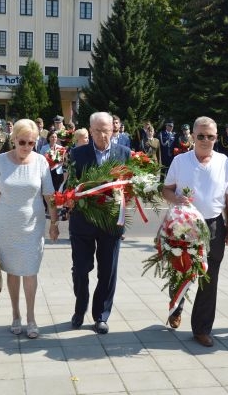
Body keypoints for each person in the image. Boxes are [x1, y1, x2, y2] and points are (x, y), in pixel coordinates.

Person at [163, 116, 228, 347]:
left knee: (210, 277)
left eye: (211, 136)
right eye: (201, 136)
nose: (206, 140)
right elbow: (166, 189)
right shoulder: (180, 161)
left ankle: (202, 328)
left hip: (214, 225)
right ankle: (177, 307)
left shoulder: (224, 161)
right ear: (192, 137)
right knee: (181, 269)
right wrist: (175, 198)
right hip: (185, 225)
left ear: (217, 138)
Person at [0, 119, 59, 338]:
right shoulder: (0, 161)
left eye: (31, 143)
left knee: (29, 271)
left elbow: (49, 195)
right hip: (7, 225)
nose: (27, 147)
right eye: (22, 142)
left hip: (33, 226)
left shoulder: (41, 162)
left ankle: (31, 317)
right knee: (12, 271)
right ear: (13, 139)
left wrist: (54, 222)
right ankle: (15, 314)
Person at [67, 112, 131, 334]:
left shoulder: (124, 154)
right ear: (90, 131)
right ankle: (80, 307)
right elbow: (69, 185)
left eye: (107, 130)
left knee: (108, 271)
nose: (103, 135)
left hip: (110, 224)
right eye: (98, 131)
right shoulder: (77, 154)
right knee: (81, 270)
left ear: (113, 130)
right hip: (82, 222)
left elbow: (129, 188)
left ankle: (101, 315)